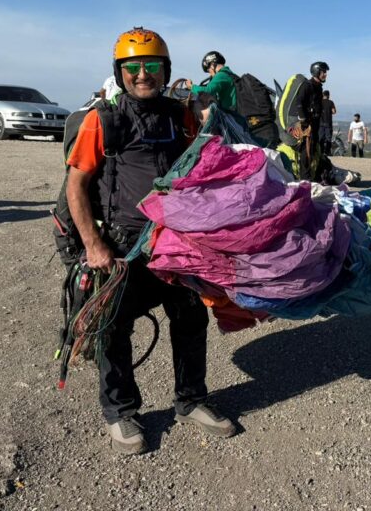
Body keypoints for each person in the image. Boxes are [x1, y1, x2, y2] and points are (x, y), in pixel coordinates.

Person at [66, 27, 235, 454]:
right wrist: (94, 245)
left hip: (176, 241)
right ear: (119, 72)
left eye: (153, 66)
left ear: (166, 70)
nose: (143, 75)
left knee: (191, 320)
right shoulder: (102, 120)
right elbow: (76, 185)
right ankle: (120, 412)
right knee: (112, 328)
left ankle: (191, 400)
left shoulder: (181, 116)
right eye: (133, 67)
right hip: (123, 246)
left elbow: (209, 162)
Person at [319, 90, 337, 155]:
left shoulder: (319, 102)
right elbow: (334, 111)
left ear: (323, 95)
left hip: (320, 123)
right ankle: (327, 152)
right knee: (328, 138)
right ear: (328, 95)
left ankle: (321, 151)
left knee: (321, 138)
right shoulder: (331, 102)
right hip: (328, 123)